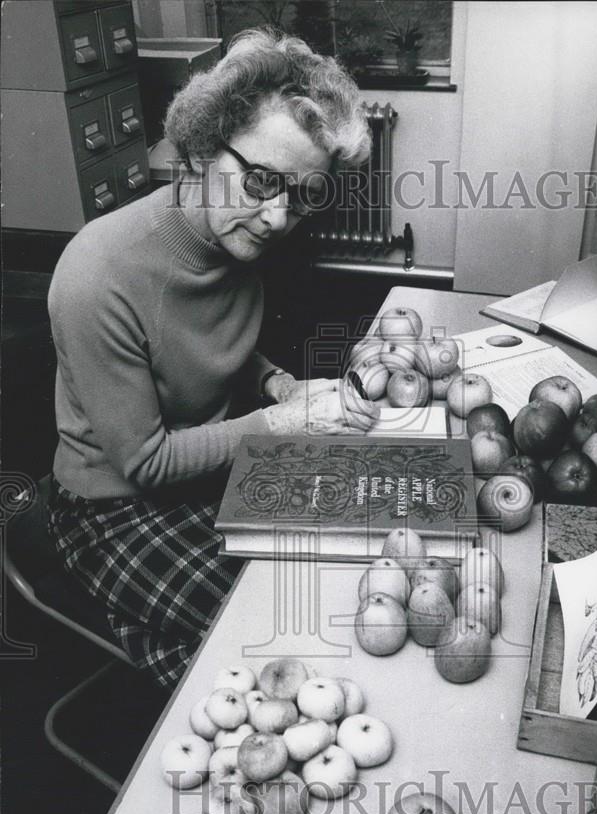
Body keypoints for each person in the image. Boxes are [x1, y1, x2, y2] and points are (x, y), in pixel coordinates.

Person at [47, 29, 378, 689]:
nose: (278, 216)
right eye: (261, 180)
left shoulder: (235, 234)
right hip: (116, 506)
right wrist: (286, 425)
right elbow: (146, 461)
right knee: (281, 644)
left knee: (347, 574)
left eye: (302, 195)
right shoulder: (97, 272)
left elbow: (204, 342)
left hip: (209, 470)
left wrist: (278, 385)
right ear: (201, 146)